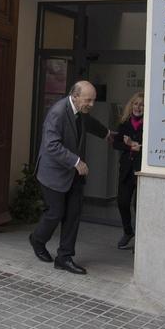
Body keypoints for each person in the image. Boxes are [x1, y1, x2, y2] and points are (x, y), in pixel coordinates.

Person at [28, 81, 109, 275]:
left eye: (93, 100)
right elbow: (51, 145)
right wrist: (76, 162)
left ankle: (64, 257)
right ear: (75, 96)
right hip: (53, 173)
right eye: (88, 100)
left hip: (73, 174)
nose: (91, 104)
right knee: (55, 213)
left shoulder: (80, 110)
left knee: (73, 215)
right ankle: (37, 240)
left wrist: (108, 134)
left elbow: (89, 123)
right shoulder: (57, 113)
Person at [112, 92, 144, 250]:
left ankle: (141, 241)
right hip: (126, 168)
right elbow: (116, 144)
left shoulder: (149, 123)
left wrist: (139, 146)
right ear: (131, 105)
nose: (138, 107)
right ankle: (128, 231)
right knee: (122, 202)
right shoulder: (124, 123)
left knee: (139, 206)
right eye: (135, 104)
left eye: (142, 104)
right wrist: (129, 145)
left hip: (141, 170)